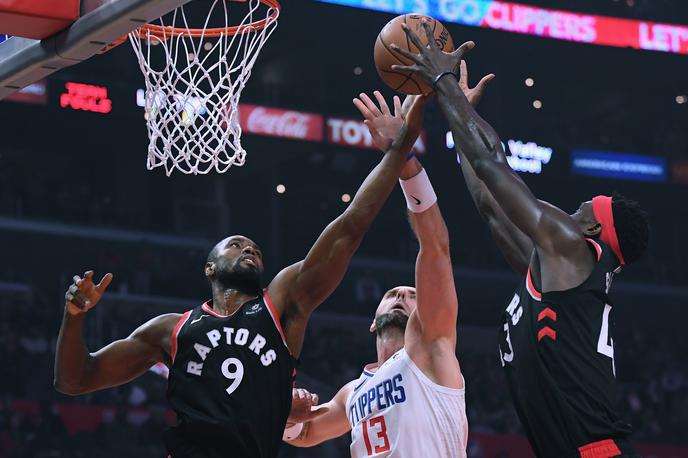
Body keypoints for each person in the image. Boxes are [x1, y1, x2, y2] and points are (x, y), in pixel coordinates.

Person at [53, 90, 419, 458]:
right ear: (209, 267)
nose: (249, 249)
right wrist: (74, 318)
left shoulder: (282, 303)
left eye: (255, 249)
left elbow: (349, 226)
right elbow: (74, 380)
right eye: (236, 245)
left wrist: (398, 150)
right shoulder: (171, 330)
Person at [392, 21, 650, 458]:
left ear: (592, 231)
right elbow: (490, 204)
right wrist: (460, 121)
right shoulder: (558, 278)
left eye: (583, 208)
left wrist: (445, 82)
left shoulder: (576, 248)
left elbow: (493, 163)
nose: (572, 211)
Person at [282, 72, 490, 457]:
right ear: (373, 320)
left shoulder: (430, 344)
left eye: (411, 295)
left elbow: (435, 247)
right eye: (394, 293)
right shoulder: (351, 393)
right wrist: (289, 417)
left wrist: (405, 161)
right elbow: (304, 434)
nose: (400, 294)